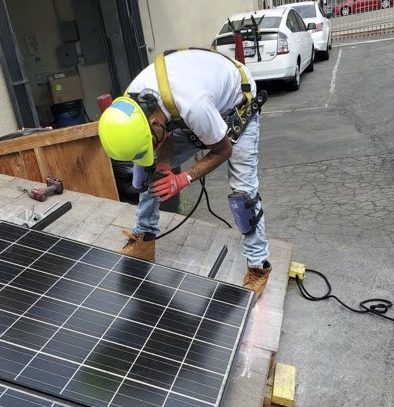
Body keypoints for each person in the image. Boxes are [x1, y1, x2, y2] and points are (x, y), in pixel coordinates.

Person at [98, 49, 272, 301]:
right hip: (187, 106)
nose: (154, 144)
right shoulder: (132, 104)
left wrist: (184, 178)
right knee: (152, 174)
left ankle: (258, 266)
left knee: (243, 196)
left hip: (235, 106)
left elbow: (223, 150)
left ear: (155, 123)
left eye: (153, 139)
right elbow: (165, 130)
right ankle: (144, 238)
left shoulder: (193, 105)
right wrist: (164, 166)